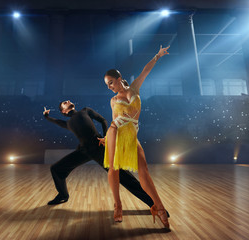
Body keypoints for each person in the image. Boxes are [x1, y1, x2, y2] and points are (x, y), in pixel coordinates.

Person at [98, 45, 171, 229]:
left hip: (131, 136)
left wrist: (158, 55)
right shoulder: (113, 100)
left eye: (111, 83)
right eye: (107, 85)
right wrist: (107, 138)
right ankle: (118, 206)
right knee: (113, 169)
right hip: (115, 132)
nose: (110, 87)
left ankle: (159, 207)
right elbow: (114, 120)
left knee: (143, 171)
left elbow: (145, 71)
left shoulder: (134, 88)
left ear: (119, 79)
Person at [43, 101, 155, 208]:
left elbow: (102, 120)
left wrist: (106, 137)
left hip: (99, 148)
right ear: (63, 111)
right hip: (83, 151)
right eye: (64, 103)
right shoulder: (68, 123)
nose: (67, 101)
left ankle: (155, 204)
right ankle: (63, 195)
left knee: (125, 177)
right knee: (56, 169)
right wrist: (47, 117)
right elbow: (55, 121)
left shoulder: (85, 111)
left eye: (67, 101)